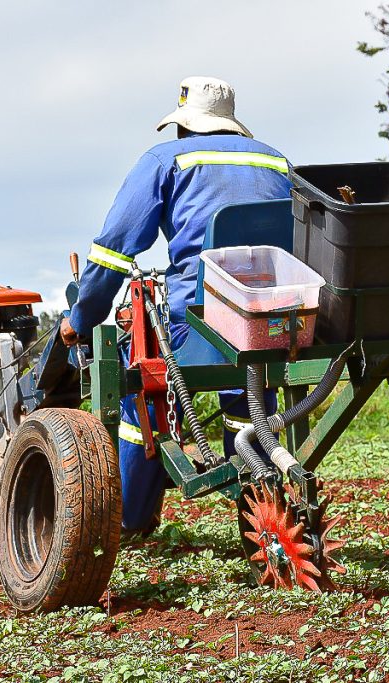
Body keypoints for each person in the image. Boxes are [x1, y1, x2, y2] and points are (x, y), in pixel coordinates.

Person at [60, 76, 289, 534]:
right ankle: (257, 514)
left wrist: (82, 317)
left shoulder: (167, 159)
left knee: (139, 392)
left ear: (184, 125)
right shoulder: (275, 160)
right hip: (272, 320)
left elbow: (114, 249)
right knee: (248, 399)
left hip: (198, 321)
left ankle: (133, 518)